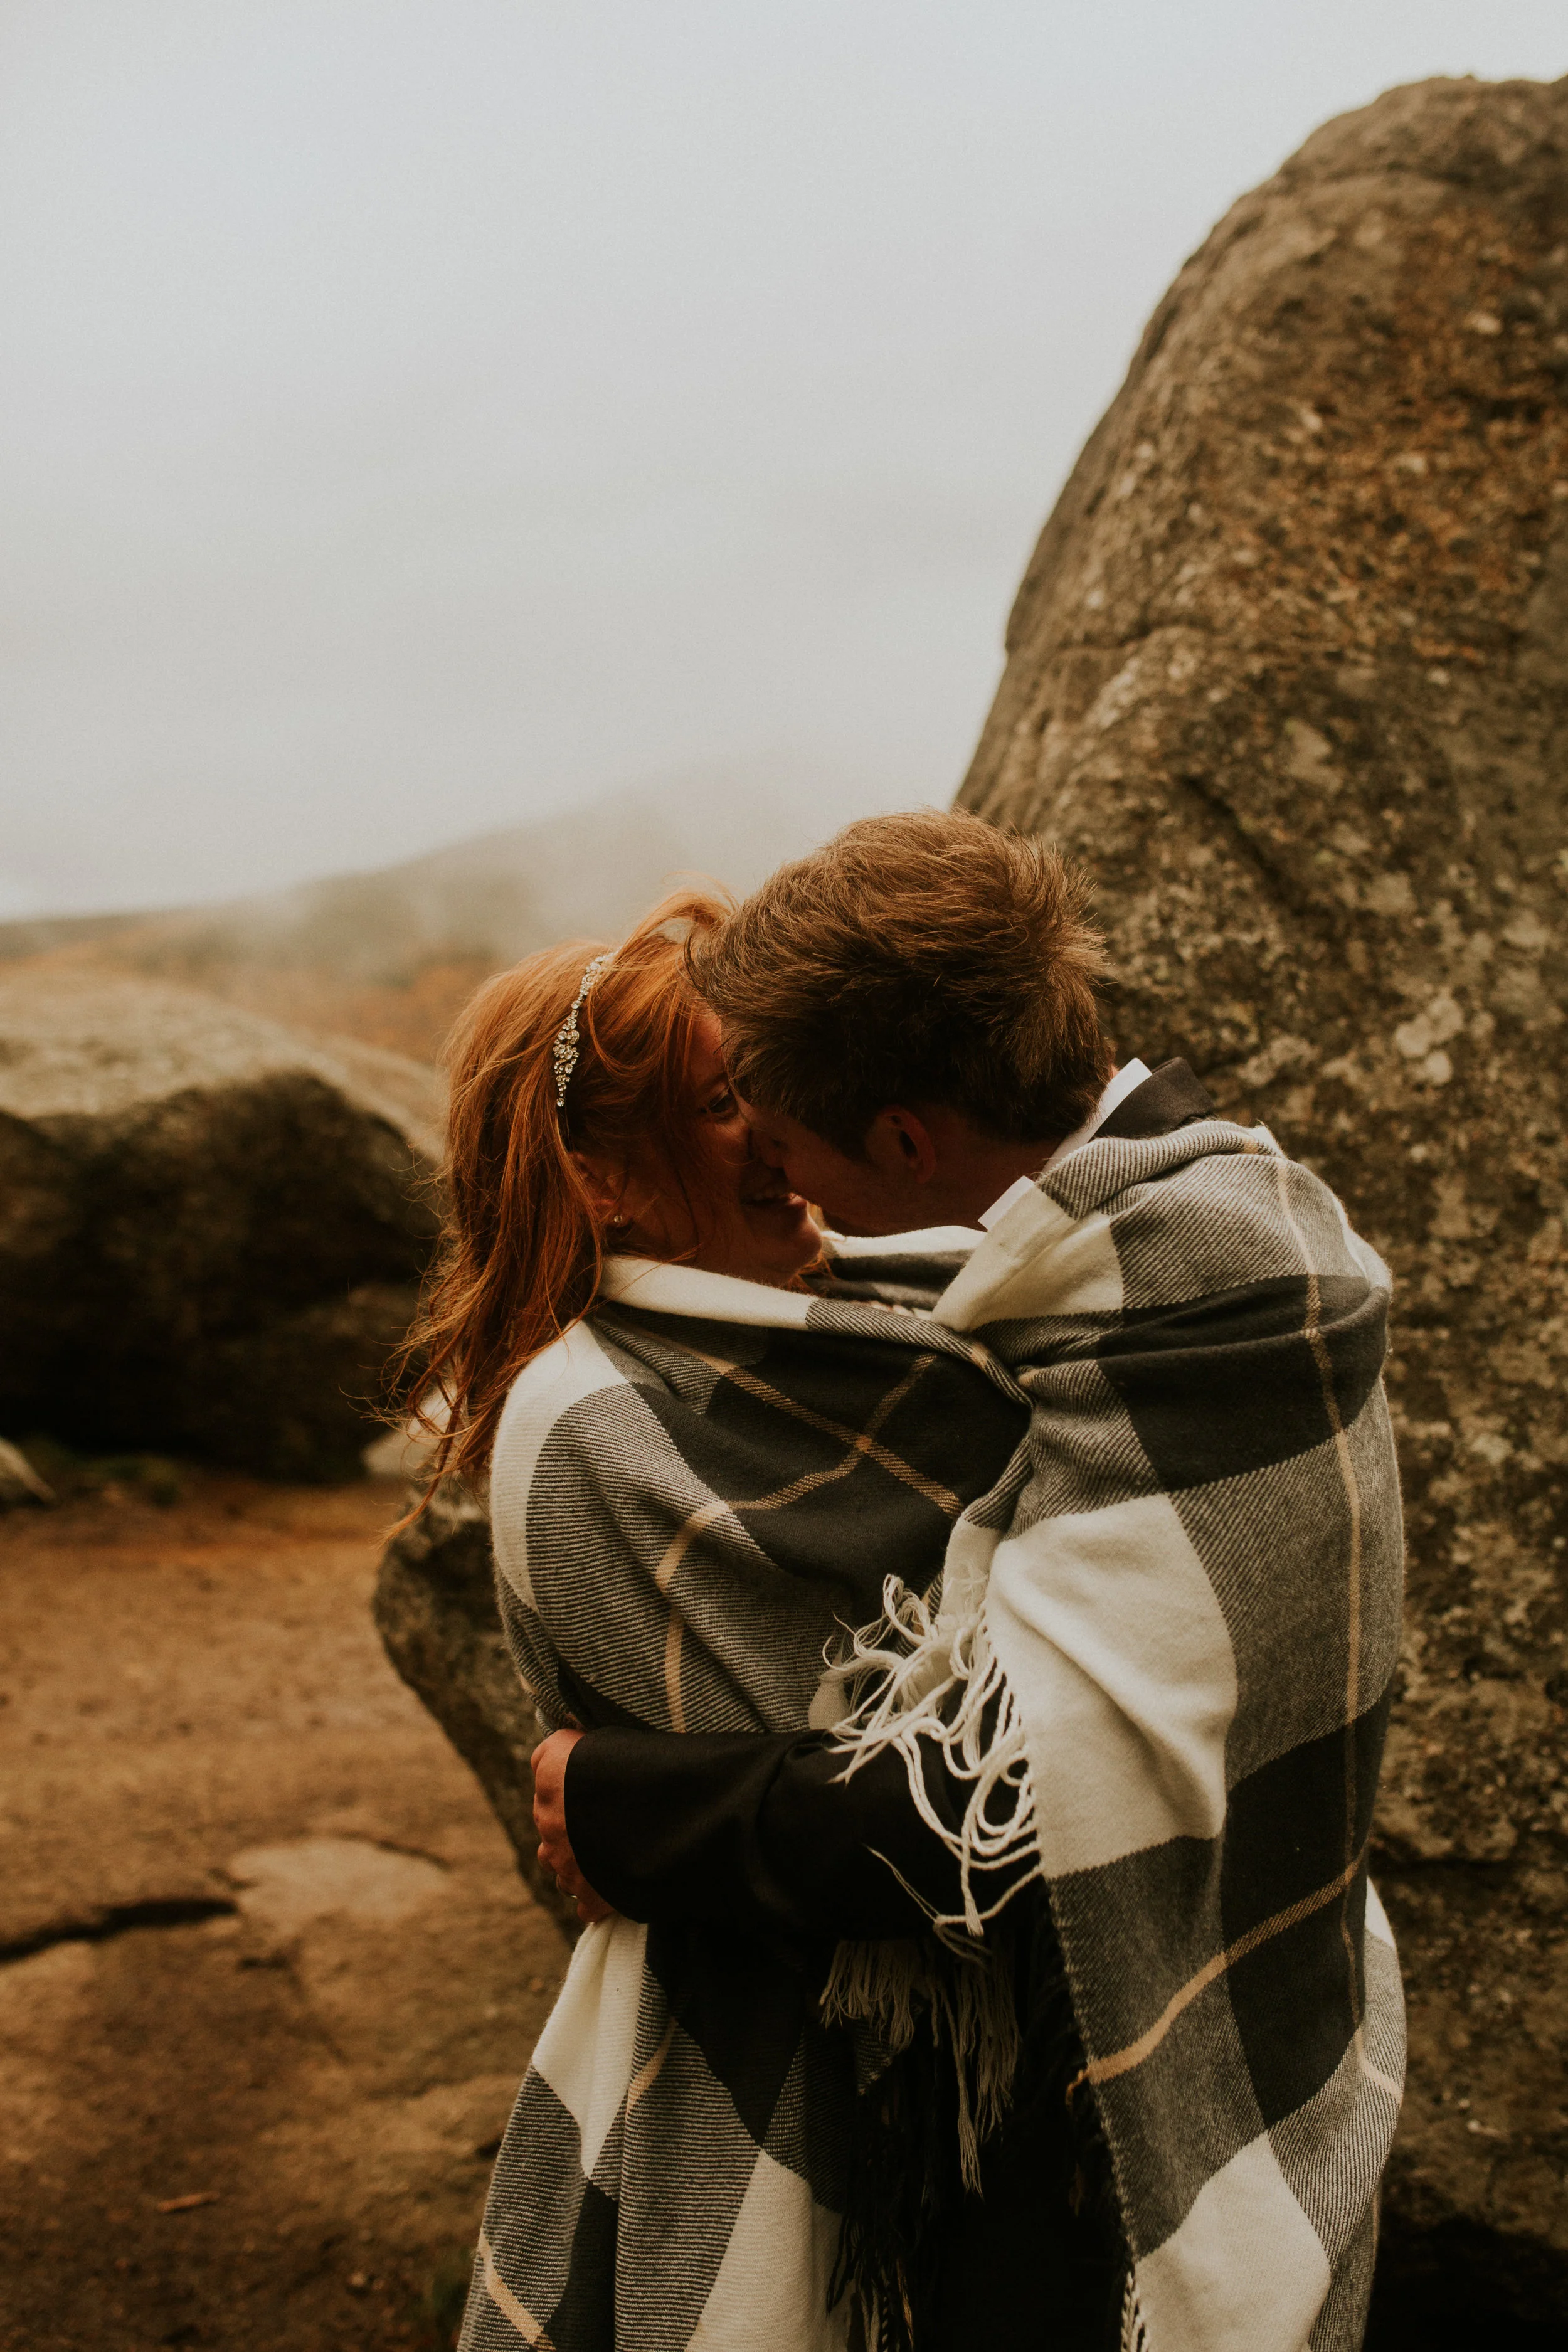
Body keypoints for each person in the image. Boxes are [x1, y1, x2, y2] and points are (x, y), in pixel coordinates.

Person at [531, 809, 1407, 2352]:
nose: (767, 1164)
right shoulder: (1137, 1236)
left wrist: (616, 1803)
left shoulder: (1217, 1292)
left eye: (777, 1128)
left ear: (904, 1143)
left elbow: (1000, 1819)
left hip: (1186, 2081)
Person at [413, 887, 1032, 2352]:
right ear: (603, 1177)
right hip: (807, 2025)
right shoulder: (591, 1425)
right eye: (717, 1104)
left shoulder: (938, 1301)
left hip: (1022, 2037)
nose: (778, 1128)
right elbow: (883, 1775)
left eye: (766, 1080)